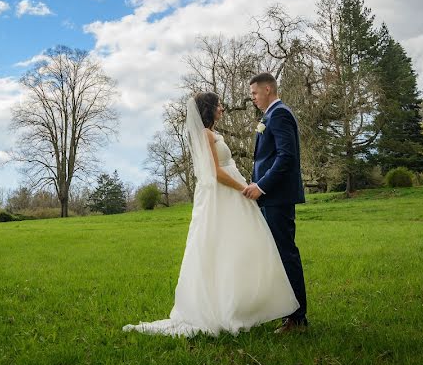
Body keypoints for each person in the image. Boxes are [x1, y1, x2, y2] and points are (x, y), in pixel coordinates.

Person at [123, 92, 298, 337]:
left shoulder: (210, 134)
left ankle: (244, 302)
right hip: (222, 196)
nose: (222, 108)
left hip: (229, 196)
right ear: (209, 109)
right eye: (219, 105)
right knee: (221, 247)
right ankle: (223, 308)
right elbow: (215, 172)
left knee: (236, 248)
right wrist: (243, 188)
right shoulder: (204, 135)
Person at [243, 72, 308, 332]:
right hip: (271, 198)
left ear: (268, 89)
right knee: (277, 255)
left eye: (255, 93)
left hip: (277, 197)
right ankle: (285, 311)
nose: (253, 98)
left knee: (285, 254)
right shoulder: (269, 116)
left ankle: (297, 317)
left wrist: (261, 186)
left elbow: (286, 158)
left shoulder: (279, 114)